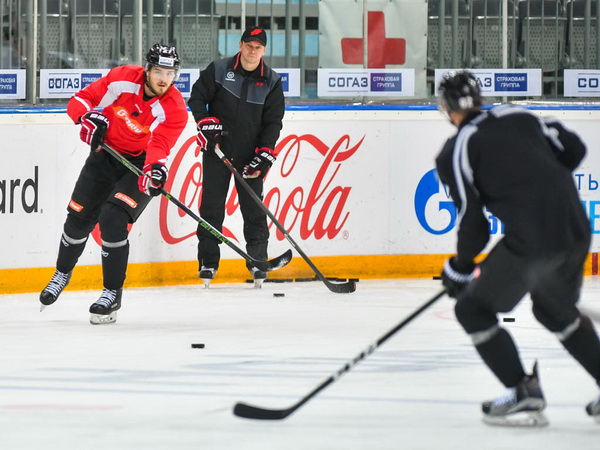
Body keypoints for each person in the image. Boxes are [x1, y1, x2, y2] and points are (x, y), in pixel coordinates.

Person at [436, 70, 600, 426]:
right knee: (554, 311)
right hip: (575, 227)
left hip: (533, 241)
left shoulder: (458, 147)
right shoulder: (519, 114)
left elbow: (474, 223)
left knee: (472, 310)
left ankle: (522, 391)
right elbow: (575, 147)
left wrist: (460, 267)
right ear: (478, 98)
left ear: (447, 109)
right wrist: (543, 183)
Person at [39, 44, 188, 324]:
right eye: (159, 71)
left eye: (170, 73)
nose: (164, 79)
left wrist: (155, 171)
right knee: (78, 219)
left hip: (139, 165)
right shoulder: (123, 78)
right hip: (106, 154)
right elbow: (83, 100)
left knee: (113, 218)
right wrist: (87, 119)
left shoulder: (175, 108)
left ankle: (111, 293)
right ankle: (62, 273)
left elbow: (160, 144)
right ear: (147, 69)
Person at [188, 25, 285, 288]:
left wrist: (266, 151)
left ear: (264, 50)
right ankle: (208, 262)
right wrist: (205, 123)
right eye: (249, 45)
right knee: (211, 206)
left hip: (250, 155)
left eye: (258, 47)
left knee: (254, 208)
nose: (253, 51)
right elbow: (196, 98)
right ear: (240, 45)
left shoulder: (272, 82)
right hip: (217, 149)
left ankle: (257, 260)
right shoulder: (219, 70)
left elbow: (274, 122)